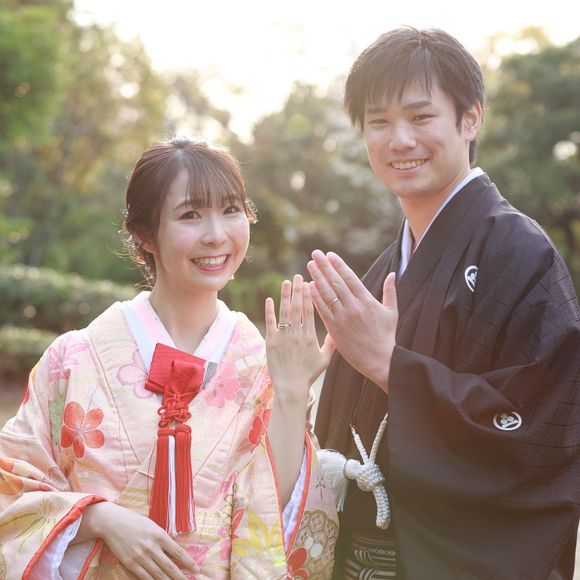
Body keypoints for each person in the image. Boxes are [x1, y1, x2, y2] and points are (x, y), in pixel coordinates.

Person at [308, 26, 580, 579]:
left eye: (421, 116)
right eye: (379, 122)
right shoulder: (383, 272)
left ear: (470, 119)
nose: (399, 140)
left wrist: (391, 366)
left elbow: (541, 430)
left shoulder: (518, 252)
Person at [0, 136, 338, 579]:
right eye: (190, 215)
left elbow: (283, 522)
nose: (216, 234)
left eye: (231, 210)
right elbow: (11, 489)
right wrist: (96, 518)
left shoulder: (260, 365)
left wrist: (292, 393)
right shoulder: (73, 358)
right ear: (144, 234)